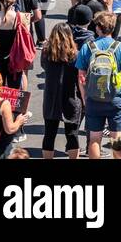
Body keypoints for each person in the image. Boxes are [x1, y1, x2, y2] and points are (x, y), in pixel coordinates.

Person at [75, 10, 121, 160]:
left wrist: (85, 98)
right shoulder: (120, 47)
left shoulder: (88, 47)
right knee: (117, 140)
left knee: (94, 139)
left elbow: (81, 76)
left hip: (94, 98)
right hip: (116, 97)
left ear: (98, 28)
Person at [39, 22, 82, 159]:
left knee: (49, 134)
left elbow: (44, 66)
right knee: (72, 134)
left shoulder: (46, 53)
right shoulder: (76, 55)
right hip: (70, 96)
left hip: (51, 96)